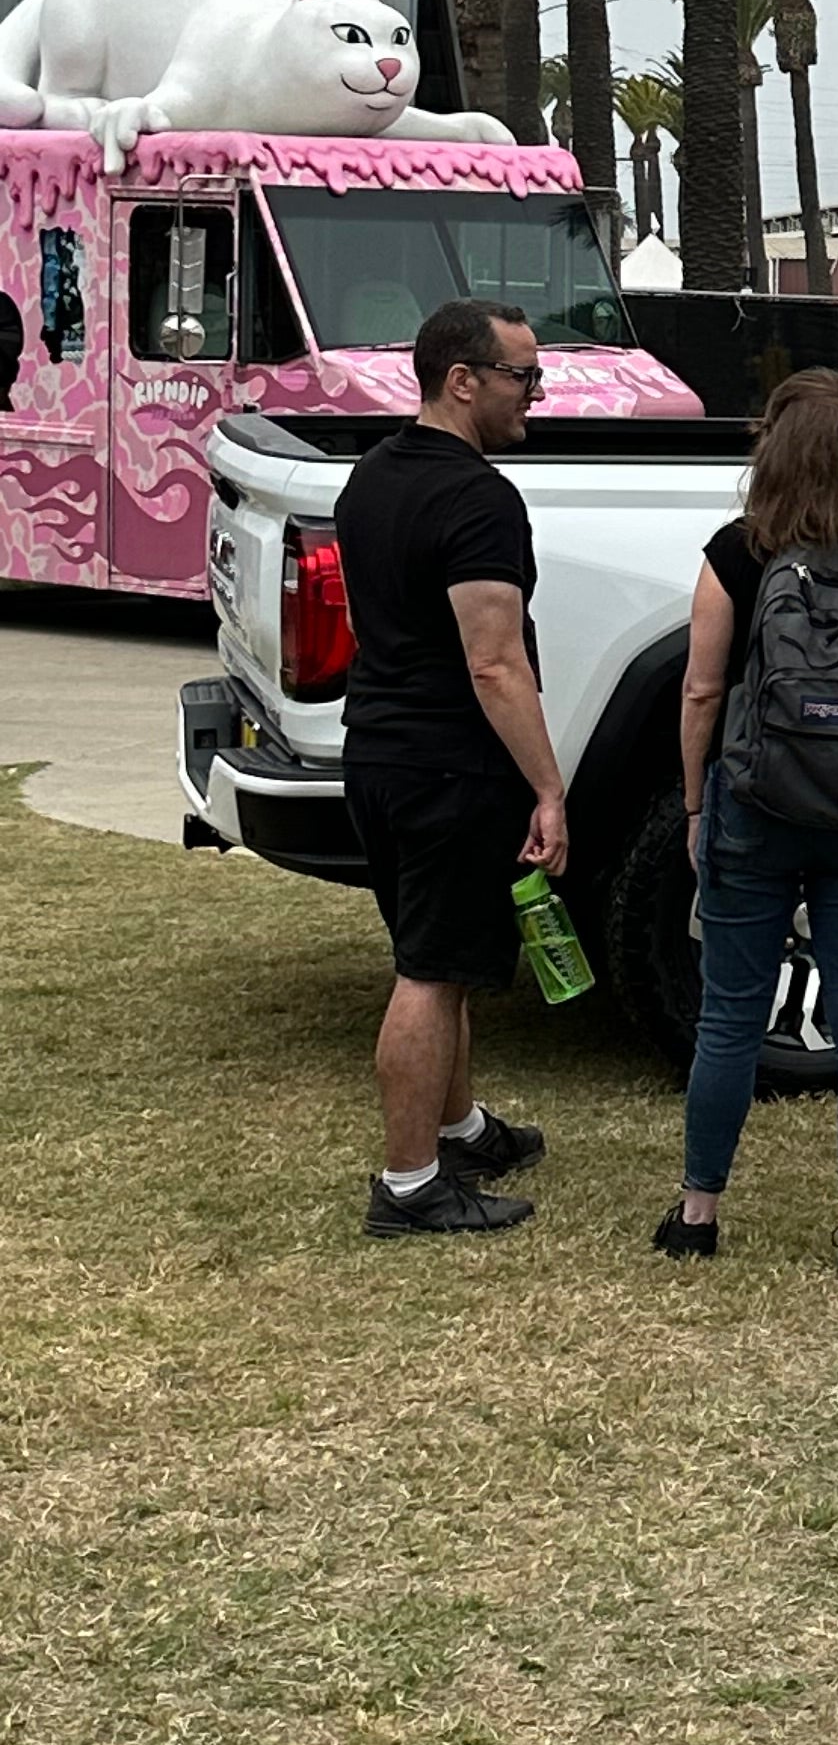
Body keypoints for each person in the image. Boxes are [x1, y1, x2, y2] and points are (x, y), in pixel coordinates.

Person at [655, 371, 838, 1279]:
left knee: (731, 1016)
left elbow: (703, 687)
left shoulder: (738, 552)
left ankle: (699, 1212)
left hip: (754, 807)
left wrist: (699, 805)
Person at [332, 297, 561, 1238]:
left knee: (444, 960)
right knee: (430, 973)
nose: (534, 398)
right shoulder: (477, 498)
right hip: (447, 770)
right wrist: (549, 787)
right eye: (522, 378)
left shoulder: (369, 479)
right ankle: (411, 1184)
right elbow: (493, 661)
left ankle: (460, 1129)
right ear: (460, 380)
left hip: (379, 758)